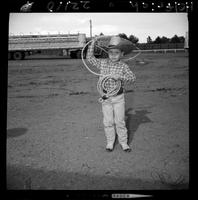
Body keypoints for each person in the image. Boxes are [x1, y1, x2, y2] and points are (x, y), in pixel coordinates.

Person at [86, 36, 136, 152]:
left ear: (122, 54)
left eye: (116, 52)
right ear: (107, 52)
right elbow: (90, 58)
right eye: (111, 52)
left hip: (119, 98)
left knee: (120, 121)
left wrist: (120, 77)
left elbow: (132, 78)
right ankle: (110, 142)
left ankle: (124, 143)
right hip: (106, 97)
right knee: (108, 121)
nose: (113, 55)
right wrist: (92, 43)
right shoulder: (103, 63)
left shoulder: (123, 66)